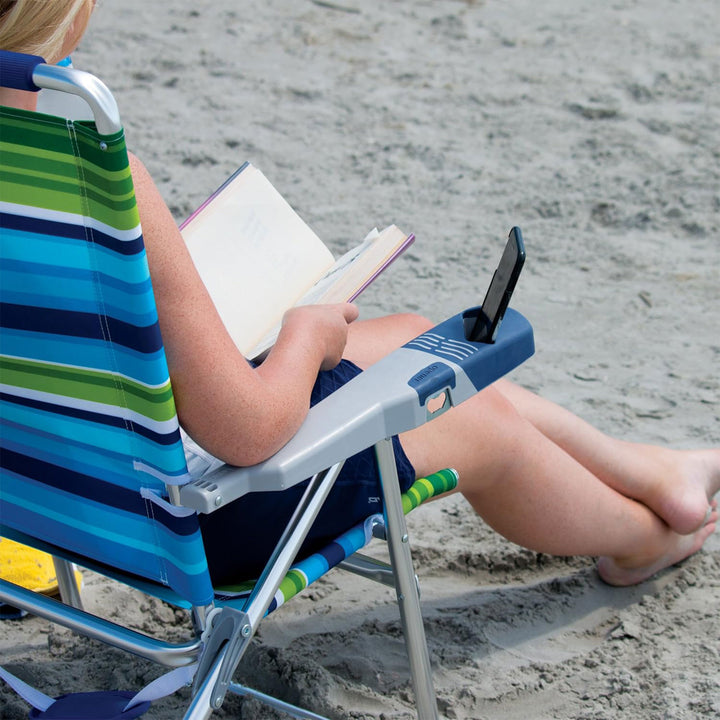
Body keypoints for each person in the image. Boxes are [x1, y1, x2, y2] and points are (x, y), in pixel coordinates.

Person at [1, 0, 718, 589]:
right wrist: (305, 335)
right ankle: (644, 538)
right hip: (180, 528)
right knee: (464, 411)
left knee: (412, 333)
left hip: (48, 498)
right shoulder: (83, 163)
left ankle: (655, 472)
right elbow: (245, 432)